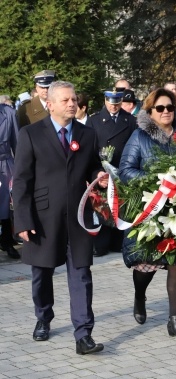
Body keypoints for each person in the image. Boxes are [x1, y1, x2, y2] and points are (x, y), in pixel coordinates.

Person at [12, 81, 107, 355]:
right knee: (41, 274)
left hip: (78, 217)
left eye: (74, 99)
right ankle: (43, 318)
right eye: (65, 100)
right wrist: (23, 221)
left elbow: (92, 166)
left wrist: (98, 177)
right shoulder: (31, 134)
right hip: (42, 218)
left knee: (81, 274)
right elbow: (21, 181)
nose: (72, 104)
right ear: (50, 104)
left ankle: (83, 335)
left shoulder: (87, 134)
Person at [119, 88, 176, 341]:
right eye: (160, 108)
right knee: (146, 265)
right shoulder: (139, 136)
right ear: (150, 111)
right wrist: (158, 181)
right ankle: (140, 296)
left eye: (170, 107)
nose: (166, 112)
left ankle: (175, 320)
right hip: (151, 208)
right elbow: (126, 170)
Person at [87, 88, 137, 256]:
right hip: (102, 174)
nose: (114, 107)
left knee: (120, 208)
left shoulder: (130, 120)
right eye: (110, 103)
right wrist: (98, 173)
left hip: (122, 172)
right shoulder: (93, 121)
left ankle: (118, 242)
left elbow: (134, 147)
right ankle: (100, 244)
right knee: (103, 208)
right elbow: (89, 152)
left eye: (117, 103)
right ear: (105, 101)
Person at [0, 103, 20, 259]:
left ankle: (7, 241)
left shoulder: (9, 113)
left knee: (6, 204)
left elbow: (17, 143)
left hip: (5, 163)